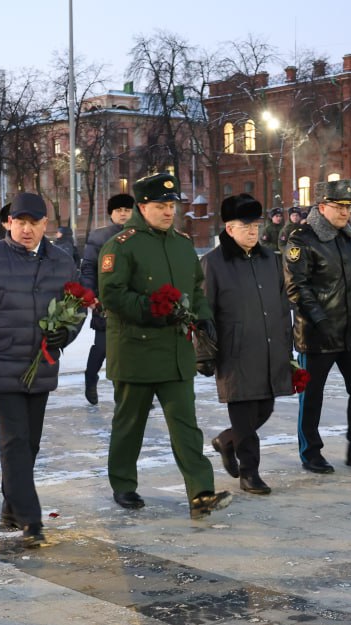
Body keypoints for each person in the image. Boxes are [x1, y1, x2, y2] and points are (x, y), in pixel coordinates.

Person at [97, 173, 231, 519]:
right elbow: (111, 295)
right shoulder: (122, 245)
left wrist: (202, 317)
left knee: (186, 424)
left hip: (175, 352)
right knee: (130, 424)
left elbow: (196, 289)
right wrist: (150, 309)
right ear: (142, 207)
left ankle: (201, 491)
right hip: (135, 351)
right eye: (161, 205)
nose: (169, 211)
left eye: (172, 205)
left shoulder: (182, 244)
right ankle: (123, 484)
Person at [0, 193, 81, 547]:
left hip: (40, 367)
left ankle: (11, 507)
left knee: (31, 443)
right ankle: (30, 517)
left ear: (45, 225)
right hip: (0, 366)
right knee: (16, 441)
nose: (26, 229)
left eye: (34, 223)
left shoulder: (61, 261)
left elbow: (78, 305)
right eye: (19, 222)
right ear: (8, 223)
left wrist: (65, 332)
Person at [285, 180, 351, 475]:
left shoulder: (349, 236)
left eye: (348, 206)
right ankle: (311, 452)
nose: (346, 212)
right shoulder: (302, 239)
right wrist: (320, 320)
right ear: (321, 207)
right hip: (317, 334)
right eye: (339, 206)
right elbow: (296, 287)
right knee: (312, 395)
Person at [200, 194, 293, 495]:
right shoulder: (213, 264)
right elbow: (204, 312)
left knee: (265, 407)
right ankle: (249, 473)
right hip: (234, 350)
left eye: (256, 225)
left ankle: (227, 441)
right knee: (244, 416)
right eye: (246, 226)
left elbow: (282, 305)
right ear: (229, 229)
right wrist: (203, 353)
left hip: (268, 346)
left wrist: (286, 342)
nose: (253, 231)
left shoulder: (270, 259)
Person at [80, 193, 134, 406]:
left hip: (132, 302)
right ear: (111, 213)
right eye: (119, 210)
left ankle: (128, 393)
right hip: (105, 301)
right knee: (103, 347)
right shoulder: (99, 236)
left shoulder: (139, 234)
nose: (123, 214)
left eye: (127, 210)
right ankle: (90, 377)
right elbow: (88, 268)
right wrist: (90, 295)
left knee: (130, 349)